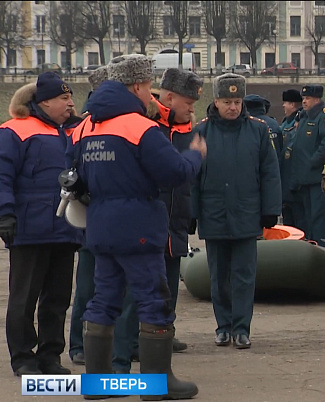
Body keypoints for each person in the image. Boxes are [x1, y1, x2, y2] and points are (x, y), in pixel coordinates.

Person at [76, 54, 204, 399]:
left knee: (103, 299)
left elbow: (74, 176)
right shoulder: (139, 127)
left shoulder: (87, 127)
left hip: (100, 226)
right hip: (139, 227)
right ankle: (157, 384)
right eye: (149, 87)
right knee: (152, 300)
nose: (152, 96)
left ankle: (98, 384)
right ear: (136, 86)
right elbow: (174, 172)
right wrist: (195, 155)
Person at [110, 68, 204, 374]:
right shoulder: (146, 126)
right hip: (144, 227)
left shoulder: (186, 128)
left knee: (166, 297)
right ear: (170, 96)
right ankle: (121, 361)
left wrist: (188, 215)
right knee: (133, 299)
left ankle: (157, 352)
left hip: (173, 227)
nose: (192, 109)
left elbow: (187, 185)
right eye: (188, 102)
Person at [0, 72, 82, 376]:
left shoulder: (75, 132)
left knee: (58, 299)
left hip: (65, 229)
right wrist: (5, 213)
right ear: (44, 101)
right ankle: (23, 357)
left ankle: (50, 355)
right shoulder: (14, 131)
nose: (71, 103)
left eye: (71, 97)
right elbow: (2, 176)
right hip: (28, 229)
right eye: (64, 98)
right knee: (23, 298)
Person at [191, 73, 281, 349]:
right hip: (214, 212)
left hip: (246, 212)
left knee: (244, 275)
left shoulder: (257, 131)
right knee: (218, 276)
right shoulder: (201, 131)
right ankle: (223, 326)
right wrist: (191, 212)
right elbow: (192, 176)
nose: (233, 107)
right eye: (227, 101)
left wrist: (270, 210)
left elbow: (270, 173)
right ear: (216, 101)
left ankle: (242, 328)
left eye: (237, 101)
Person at [69, 66, 109, 367]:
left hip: (114, 216)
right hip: (92, 217)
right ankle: (79, 345)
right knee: (87, 287)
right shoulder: (83, 127)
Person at [290, 85, 325, 244]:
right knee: (307, 218)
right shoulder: (304, 116)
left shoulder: (324, 117)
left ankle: (322, 248)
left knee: (318, 218)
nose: (304, 101)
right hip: (303, 178)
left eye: (307, 98)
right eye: (303, 99)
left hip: (316, 178)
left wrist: (313, 161)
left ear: (317, 99)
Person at [280, 89, 306, 229]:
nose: (283, 106)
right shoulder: (286, 122)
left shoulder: (298, 122)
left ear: (293, 104)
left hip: (294, 182)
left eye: (286, 102)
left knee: (299, 221)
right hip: (286, 181)